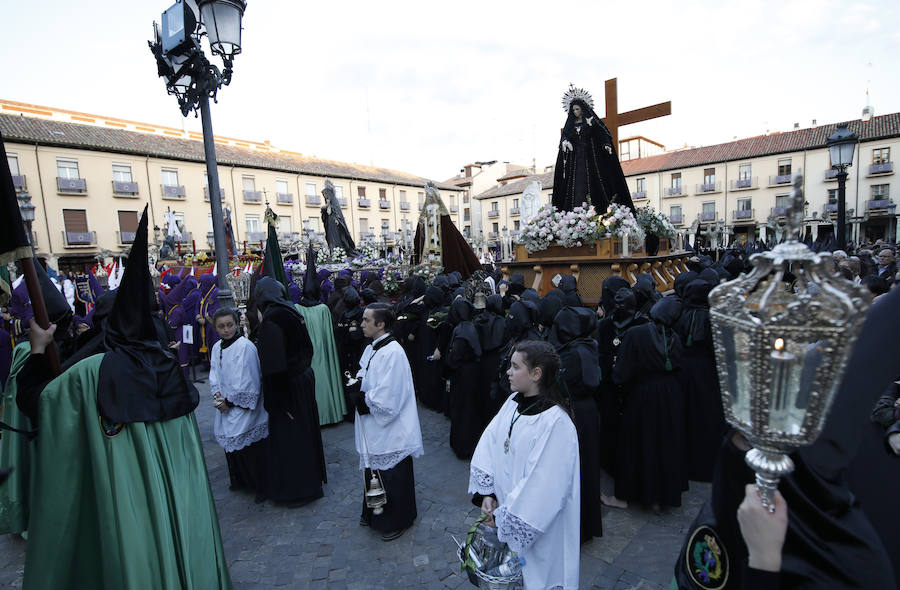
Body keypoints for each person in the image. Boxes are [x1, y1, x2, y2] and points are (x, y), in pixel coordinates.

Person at [15, 206, 231, 588]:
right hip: (180, 508)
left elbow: (37, 403)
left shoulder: (91, 373)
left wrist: (37, 352)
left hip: (123, 510)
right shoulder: (168, 365)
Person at [469, 340, 580, 589]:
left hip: (537, 527)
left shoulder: (556, 423)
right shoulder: (513, 404)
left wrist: (505, 519)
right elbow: (489, 443)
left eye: (515, 367)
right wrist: (488, 493)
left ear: (536, 374)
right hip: (505, 510)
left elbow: (544, 487)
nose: (508, 371)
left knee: (538, 578)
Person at [352, 303, 424, 541]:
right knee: (374, 468)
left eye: (366, 320)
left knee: (392, 472)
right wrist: (357, 384)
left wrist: (364, 398)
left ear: (380, 324)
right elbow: (364, 372)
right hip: (373, 422)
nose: (361, 324)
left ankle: (398, 518)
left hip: (391, 425)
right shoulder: (374, 347)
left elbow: (389, 396)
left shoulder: (393, 352)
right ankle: (373, 510)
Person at [254, 276, 327, 507]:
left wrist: (277, 401)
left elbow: (274, 367)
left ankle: (299, 490)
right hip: (301, 380)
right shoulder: (291, 312)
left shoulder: (272, 320)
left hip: (288, 387)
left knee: (292, 439)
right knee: (304, 433)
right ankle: (310, 482)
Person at [614, 297, 688, 510]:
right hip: (670, 395)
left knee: (639, 443)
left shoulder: (636, 333)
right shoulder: (676, 337)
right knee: (666, 443)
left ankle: (631, 496)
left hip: (643, 395)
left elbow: (622, 372)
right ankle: (661, 495)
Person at [551, 306, 604, 542]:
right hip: (586, 412)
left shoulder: (571, 354)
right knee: (586, 467)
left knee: (573, 469)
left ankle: (577, 527)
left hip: (572, 412)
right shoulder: (587, 345)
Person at [209, 307, 268, 502]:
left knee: (250, 448)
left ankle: (259, 485)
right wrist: (217, 394)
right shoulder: (217, 347)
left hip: (242, 404)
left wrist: (231, 401)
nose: (226, 330)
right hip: (225, 403)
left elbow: (250, 378)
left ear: (236, 324)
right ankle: (240, 480)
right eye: (221, 327)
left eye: (229, 325)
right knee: (231, 443)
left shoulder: (245, 346)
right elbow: (214, 372)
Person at [674, 280, 727, 482]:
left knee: (686, 416)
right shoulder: (713, 317)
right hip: (706, 373)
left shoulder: (680, 314)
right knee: (707, 417)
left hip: (684, 372)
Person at [551, 88, 634, 213]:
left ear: (583, 108)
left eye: (577, 109)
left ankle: (596, 210)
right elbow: (565, 138)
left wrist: (606, 144)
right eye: (573, 110)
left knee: (592, 182)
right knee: (575, 185)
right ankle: (574, 212)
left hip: (590, 158)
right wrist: (565, 143)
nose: (575, 112)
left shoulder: (591, 121)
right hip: (575, 160)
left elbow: (602, 133)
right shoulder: (570, 124)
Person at [446, 297, 483, 459]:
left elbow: (455, 357)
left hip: (463, 375)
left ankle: (463, 446)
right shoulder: (470, 327)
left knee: (463, 410)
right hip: (472, 373)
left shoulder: (462, 331)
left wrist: (447, 368)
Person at [321, 179, 357, 255]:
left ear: (328, 193)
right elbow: (325, 213)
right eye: (323, 195)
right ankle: (333, 252)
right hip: (330, 223)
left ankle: (339, 252)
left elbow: (337, 211)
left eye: (325, 194)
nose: (324, 196)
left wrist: (337, 218)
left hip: (335, 222)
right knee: (331, 237)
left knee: (337, 237)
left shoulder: (334, 201)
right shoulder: (327, 203)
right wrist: (324, 208)